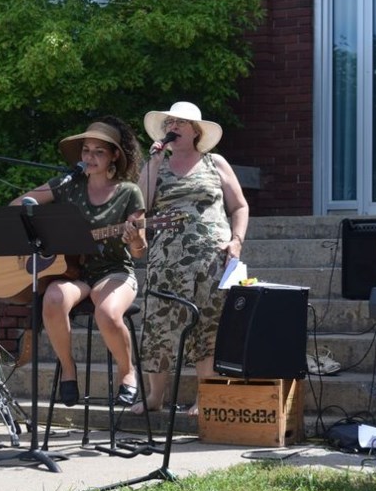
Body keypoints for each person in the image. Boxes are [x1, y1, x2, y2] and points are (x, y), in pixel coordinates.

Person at [13, 117, 146, 408]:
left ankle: (128, 372)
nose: (90, 157)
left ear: (114, 155)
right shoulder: (68, 185)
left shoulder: (128, 192)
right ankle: (68, 371)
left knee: (108, 313)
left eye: (99, 151)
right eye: (86, 150)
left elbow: (138, 252)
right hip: (73, 270)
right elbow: (18, 206)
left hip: (114, 270)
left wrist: (134, 237)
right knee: (53, 297)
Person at [131, 101, 249, 416]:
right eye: (170, 122)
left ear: (196, 131)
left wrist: (236, 241)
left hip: (212, 260)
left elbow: (239, 207)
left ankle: (205, 398)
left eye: (181, 123)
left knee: (208, 326)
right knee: (158, 325)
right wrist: (154, 162)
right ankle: (155, 397)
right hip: (166, 262)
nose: (174, 127)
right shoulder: (158, 164)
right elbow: (141, 205)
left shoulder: (216, 163)